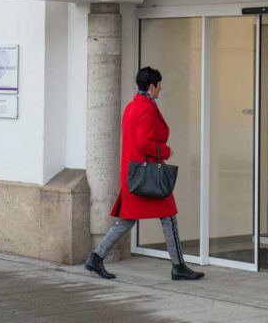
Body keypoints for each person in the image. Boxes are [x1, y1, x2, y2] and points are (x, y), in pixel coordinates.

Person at [85, 67, 204, 281]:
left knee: (128, 221)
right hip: (149, 175)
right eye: (159, 85)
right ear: (151, 86)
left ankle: (96, 257)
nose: (161, 89)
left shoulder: (131, 107)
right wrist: (165, 151)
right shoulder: (147, 108)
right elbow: (144, 142)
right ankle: (178, 266)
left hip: (135, 174)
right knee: (168, 217)